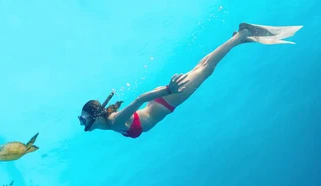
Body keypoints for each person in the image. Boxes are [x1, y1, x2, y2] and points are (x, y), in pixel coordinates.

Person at [78, 23, 303, 138]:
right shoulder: (110, 124)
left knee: (207, 69)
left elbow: (137, 100)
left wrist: (168, 89)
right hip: (162, 100)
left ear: (95, 118)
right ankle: (236, 39)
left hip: (167, 99)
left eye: (85, 120)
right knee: (201, 67)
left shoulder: (115, 121)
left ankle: (242, 34)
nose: (85, 124)